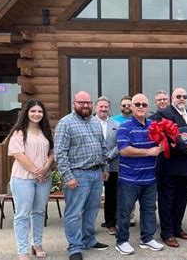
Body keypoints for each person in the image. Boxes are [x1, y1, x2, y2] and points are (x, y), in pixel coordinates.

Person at [54, 91, 110, 260]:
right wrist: (67, 176)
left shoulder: (95, 121)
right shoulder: (65, 123)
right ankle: (75, 247)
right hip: (77, 175)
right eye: (81, 102)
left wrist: (105, 168)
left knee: (92, 210)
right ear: (74, 103)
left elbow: (103, 147)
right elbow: (60, 153)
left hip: (96, 173)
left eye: (88, 102)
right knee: (74, 212)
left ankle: (89, 240)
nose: (85, 105)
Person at [115, 93, 164, 255]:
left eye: (144, 104)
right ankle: (121, 241)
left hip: (149, 178)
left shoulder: (153, 125)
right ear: (131, 107)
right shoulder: (125, 126)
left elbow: (161, 142)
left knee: (149, 209)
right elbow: (124, 150)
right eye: (138, 104)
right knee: (125, 211)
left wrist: (163, 145)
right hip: (130, 179)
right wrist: (148, 152)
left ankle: (147, 238)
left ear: (148, 107)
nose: (141, 107)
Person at [8, 99, 54, 260]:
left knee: (40, 212)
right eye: (33, 111)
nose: (37, 114)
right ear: (26, 113)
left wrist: (46, 167)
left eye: (40, 111)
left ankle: (37, 244)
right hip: (23, 179)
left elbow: (52, 152)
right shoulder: (19, 132)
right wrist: (36, 171)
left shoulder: (45, 131)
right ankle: (22, 250)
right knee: (22, 215)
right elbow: (18, 155)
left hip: (43, 179)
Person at [153, 88, 187, 248]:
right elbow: (167, 136)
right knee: (167, 201)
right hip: (170, 166)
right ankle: (167, 233)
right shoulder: (164, 113)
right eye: (178, 96)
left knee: (181, 200)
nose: (181, 99)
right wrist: (185, 148)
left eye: (184, 96)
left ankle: (178, 228)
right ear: (172, 98)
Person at [94, 97, 120, 236]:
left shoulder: (116, 124)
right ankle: (89, 225)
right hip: (93, 164)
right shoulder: (89, 123)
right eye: (101, 106)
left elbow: (120, 144)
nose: (103, 109)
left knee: (111, 196)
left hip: (112, 164)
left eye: (106, 107)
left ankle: (111, 223)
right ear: (95, 107)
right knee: (92, 196)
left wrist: (108, 156)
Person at [110, 96, 136, 227]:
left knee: (129, 191)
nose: (127, 107)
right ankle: (113, 217)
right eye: (124, 105)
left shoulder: (136, 120)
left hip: (132, 161)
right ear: (120, 106)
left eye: (129, 105)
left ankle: (130, 215)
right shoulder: (113, 120)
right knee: (115, 192)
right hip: (115, 162)